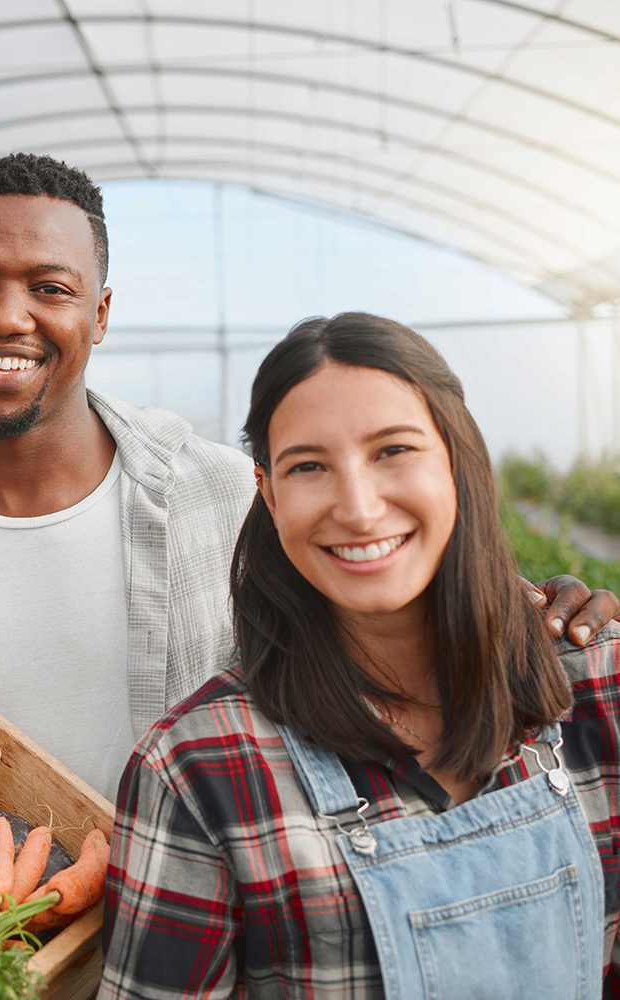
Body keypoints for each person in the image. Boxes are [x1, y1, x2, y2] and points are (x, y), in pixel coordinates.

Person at [0, 153, 615, 805]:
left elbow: (390, 598)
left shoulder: (224, 495)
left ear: (101, 314)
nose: (6, 316)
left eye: (50, 288)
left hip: (209, 918)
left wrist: (531, 604)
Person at [100, 313, 620, 998]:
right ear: (269, 494)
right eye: (309, 466)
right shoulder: (199, 768)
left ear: (458, 460)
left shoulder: (598, 681)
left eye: (393, 451)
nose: (359, 508)